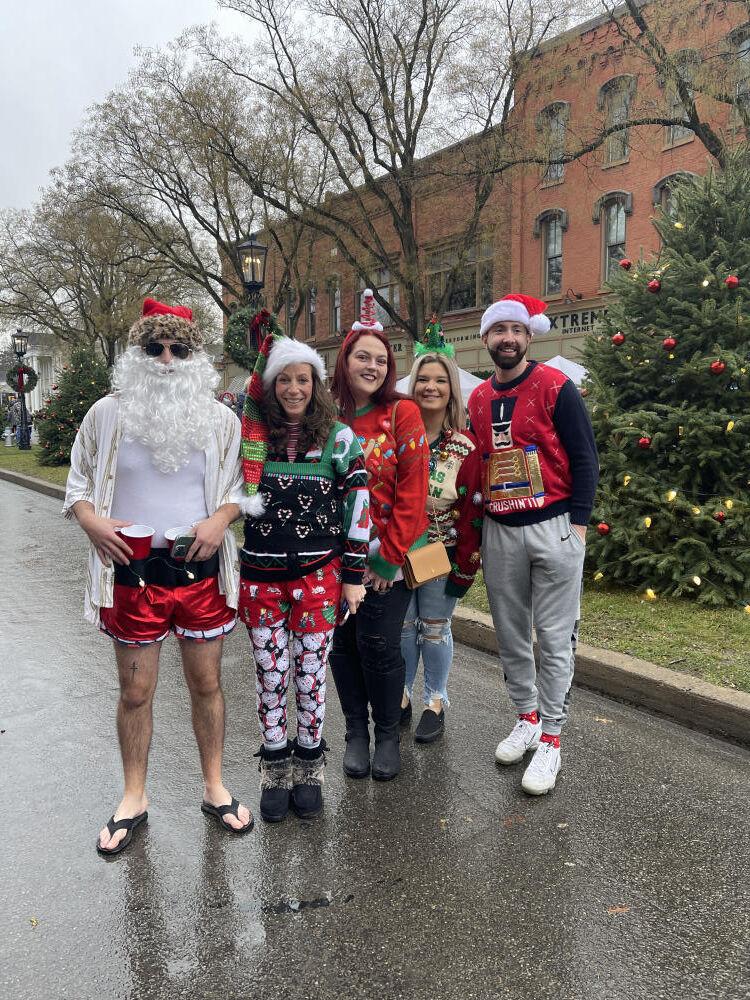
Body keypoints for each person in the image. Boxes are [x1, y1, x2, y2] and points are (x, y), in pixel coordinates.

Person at [63, 297, 253, 856]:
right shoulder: (105, 413)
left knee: (207, 684)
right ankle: (134, 797)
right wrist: (92, 522)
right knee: (135, 691)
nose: (166, 359)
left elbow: (244, 486)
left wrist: (222, 519)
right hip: (131, 574)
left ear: (195, 357)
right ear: (137, 351)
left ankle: (214, 786)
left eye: (179, 348)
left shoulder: (221, 419)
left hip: (199, 574)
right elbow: (76, 482)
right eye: (154, 347)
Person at [467, 294, 599, 795]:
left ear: (529, 336)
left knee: (555, 634)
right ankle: (525, 716)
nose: (508, 339)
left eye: (516, 331)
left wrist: (579, 525)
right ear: (486, 339)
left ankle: (552, 737)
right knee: (511, 632)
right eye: (498, 330)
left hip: (555, 524)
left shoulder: (555, 387)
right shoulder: (478, 399)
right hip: (501, 528)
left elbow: (585, 456)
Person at [237, 334, 369, 822]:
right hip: (261, 576)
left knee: (310, 679)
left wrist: (354, 575)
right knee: (271, 676)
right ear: (271, 387)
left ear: (316, 384)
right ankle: (274, 770)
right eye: (285, 380)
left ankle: (309, 769)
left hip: (319, 577)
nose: (294, 389)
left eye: (303, 379)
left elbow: (358, 505)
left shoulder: (338, 437)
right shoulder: (250, 437)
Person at [329, 289, 430, 781]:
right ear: (344, 360)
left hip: (385, 560)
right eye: (361, 356)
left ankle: (387, 731)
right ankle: (355, 733)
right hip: (330, 561)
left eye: (379, 358)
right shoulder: (326, 416)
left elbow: (413, 490)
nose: (370, 365)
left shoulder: (402, 413)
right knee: (342, 646)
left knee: (380, 644)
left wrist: (388, 559)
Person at [400, 347, 482, 742]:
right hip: (396, 552)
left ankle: (434, 699)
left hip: (441, 553)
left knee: (433, 627)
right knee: (402, 626)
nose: (430, 387)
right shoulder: (397, 438)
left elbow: (472, 511)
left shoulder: (466, 447)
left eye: (439, 380)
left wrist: (466, 566)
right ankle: (400, 695)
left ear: (451, 389)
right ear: (411, 385)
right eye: (423, 379)